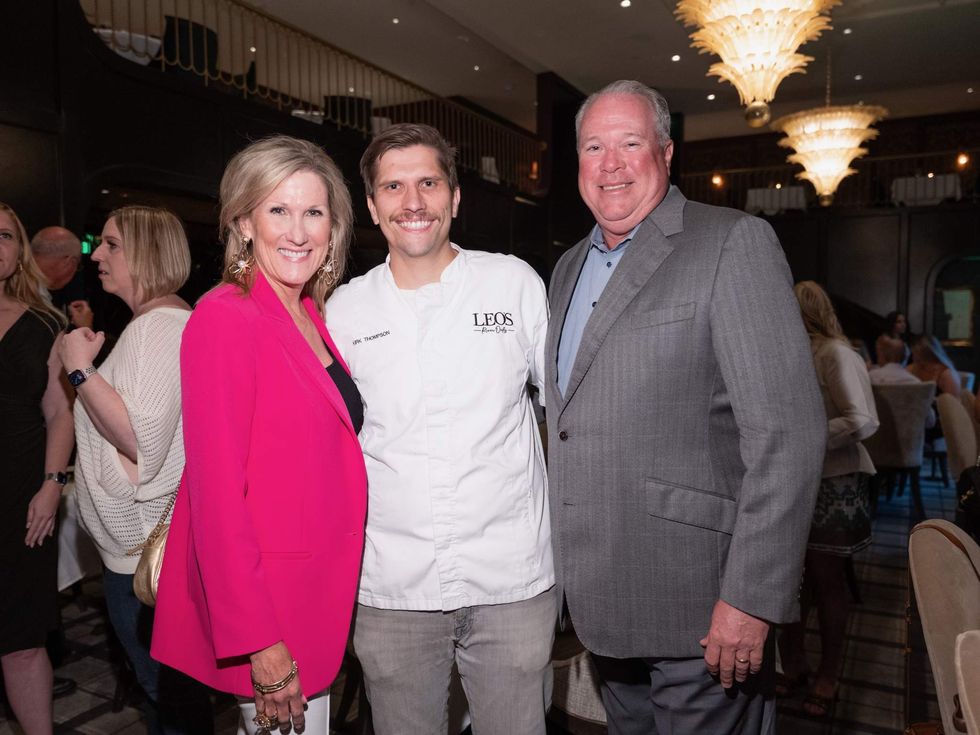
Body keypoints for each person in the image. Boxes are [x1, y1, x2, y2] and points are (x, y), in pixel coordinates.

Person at [545, 80, 826, 734]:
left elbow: (788, 434)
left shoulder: (731, 242)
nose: (609, 163)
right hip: (605, 602)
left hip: (705, 607)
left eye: (630, 143)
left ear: (666, 154)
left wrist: (751, 596)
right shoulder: (566, 268)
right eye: (593, 146)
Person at [325, 123, 555, 735]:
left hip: (511, 579)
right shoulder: (343, 312)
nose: (413, 201)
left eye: (428, 182)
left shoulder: (513, 284)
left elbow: (567, 415)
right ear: (373, 207)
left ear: (455, 197)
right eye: (394, 187)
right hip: (392, 586)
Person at [152, 135, 366, 735]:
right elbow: (217, 499)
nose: (298, 231)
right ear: (243, 222)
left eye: (313, 212)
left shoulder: (307, 313)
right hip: (271, 612)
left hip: (310, 593)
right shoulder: (226, 317)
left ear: (333, 227)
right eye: (278, 210)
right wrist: (261, 645)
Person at [62, 205, 212, 735]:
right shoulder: (153, 325)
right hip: (141, 554)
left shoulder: (160, 328)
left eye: (110, 244)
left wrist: (78, 368)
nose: (96, 255)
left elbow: (139, 440)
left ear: (147, 252)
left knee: (171, 702)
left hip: (146, 560)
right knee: (167, 701)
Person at [779, 281, 879, 718]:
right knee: (790, 581)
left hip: (835, 480)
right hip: (796, 479)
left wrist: (808, 438)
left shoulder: (837, 353)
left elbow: (863, 419)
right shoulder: (789, 354)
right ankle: (795, 663)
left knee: (826, 582)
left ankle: (830, 674)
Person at [0, 202, 74, 735]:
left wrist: (52, 485)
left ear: (18, 250)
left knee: (22, 641)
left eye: (4, 235)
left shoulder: (45, 321)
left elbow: (60, 412)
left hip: (22, 501)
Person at [30, 226, 92, 330]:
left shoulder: (16, 284)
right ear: (69, 261)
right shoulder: (37, 302)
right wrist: (84, 328)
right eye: (77, 265)